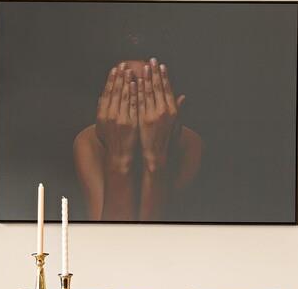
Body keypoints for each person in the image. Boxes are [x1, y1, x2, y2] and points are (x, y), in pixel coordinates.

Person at [74, 57, 202, 221]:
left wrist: (155, 160)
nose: (137, 105)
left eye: (150, 93)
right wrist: (119, 161)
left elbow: (158, 239)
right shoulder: (90, 141)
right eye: (126, 93)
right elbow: (113, 240)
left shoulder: (189, 144)